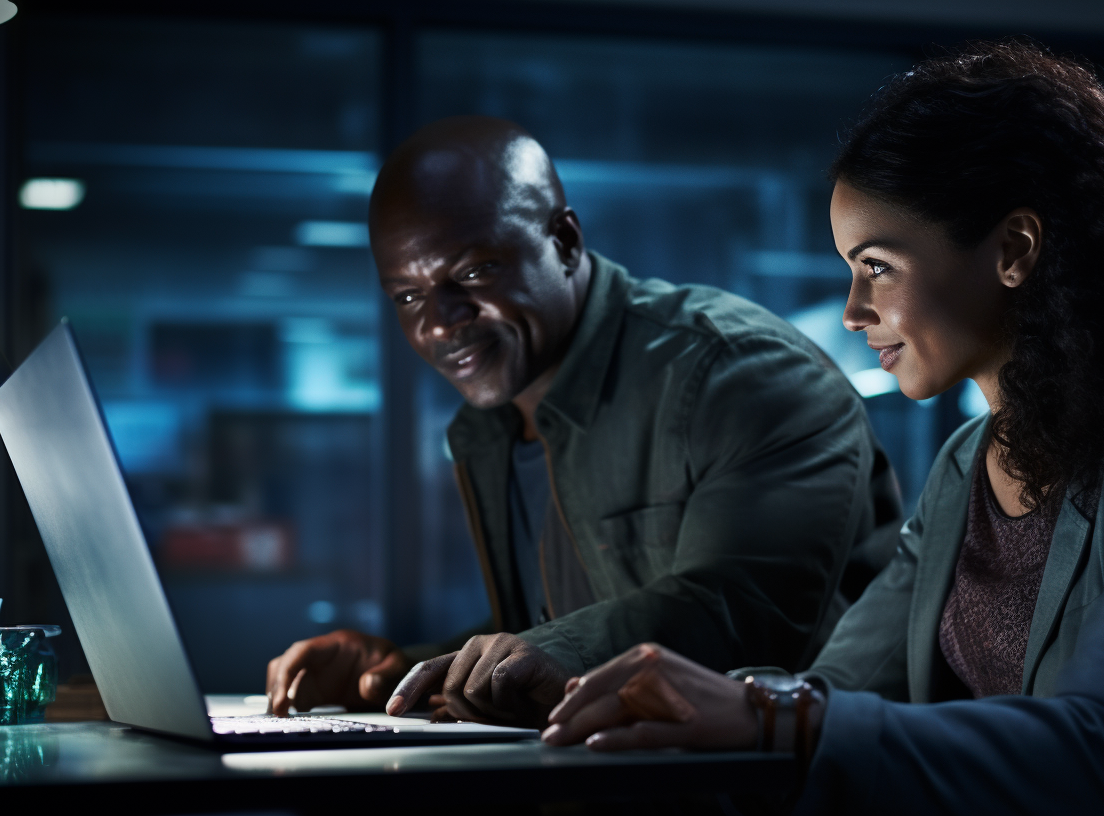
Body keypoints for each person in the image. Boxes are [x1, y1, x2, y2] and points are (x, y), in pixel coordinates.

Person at [542, 42, 1104, 815]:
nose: (854, 312)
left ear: (1015, 250)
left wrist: (771, 719)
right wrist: (670, 705)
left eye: (877, 266)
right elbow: (838, 695)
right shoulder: (965, 465)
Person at [264, 117, 903, 727]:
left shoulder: (736, 370)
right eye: (407, 295)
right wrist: (395, 673)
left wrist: (530, 657)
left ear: (565, 242)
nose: (437, 321)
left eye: (473, 272)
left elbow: (743, 611)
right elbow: (555, 624)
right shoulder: (489, 427)